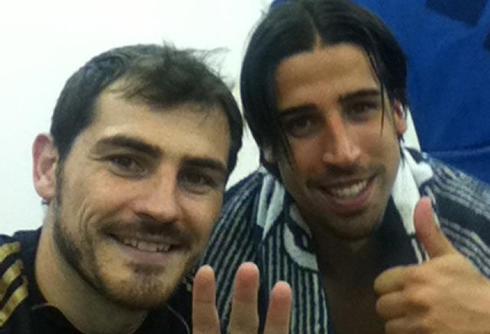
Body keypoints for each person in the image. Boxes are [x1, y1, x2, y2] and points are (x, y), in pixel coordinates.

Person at [199, 0, 490, 333]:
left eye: (361, 108)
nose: (344, 153)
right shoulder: (210, 254)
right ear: (267, 145)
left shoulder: (480, 222)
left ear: (398, 110)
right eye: (302, 123)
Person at [0, 44, 292, 334]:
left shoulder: (223, 319)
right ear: (47, 168)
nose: (162, 209)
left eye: (197, 178)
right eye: (125, 162)